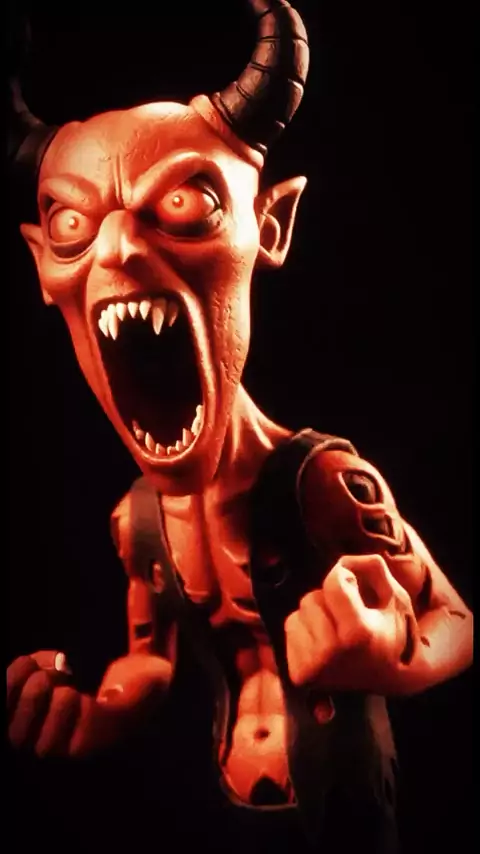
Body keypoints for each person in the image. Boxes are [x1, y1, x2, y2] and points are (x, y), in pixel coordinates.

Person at [7, 2, 472, 851]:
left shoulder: (322, 484)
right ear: (44, 263)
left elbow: (456, 622)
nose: (116, 248)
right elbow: (150, 660)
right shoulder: (139, 521)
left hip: (346, 813)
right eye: (74, 223)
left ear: (271, 224)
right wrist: (99, 708)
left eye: (184, 203)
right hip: (224, 807)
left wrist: (389, 653)